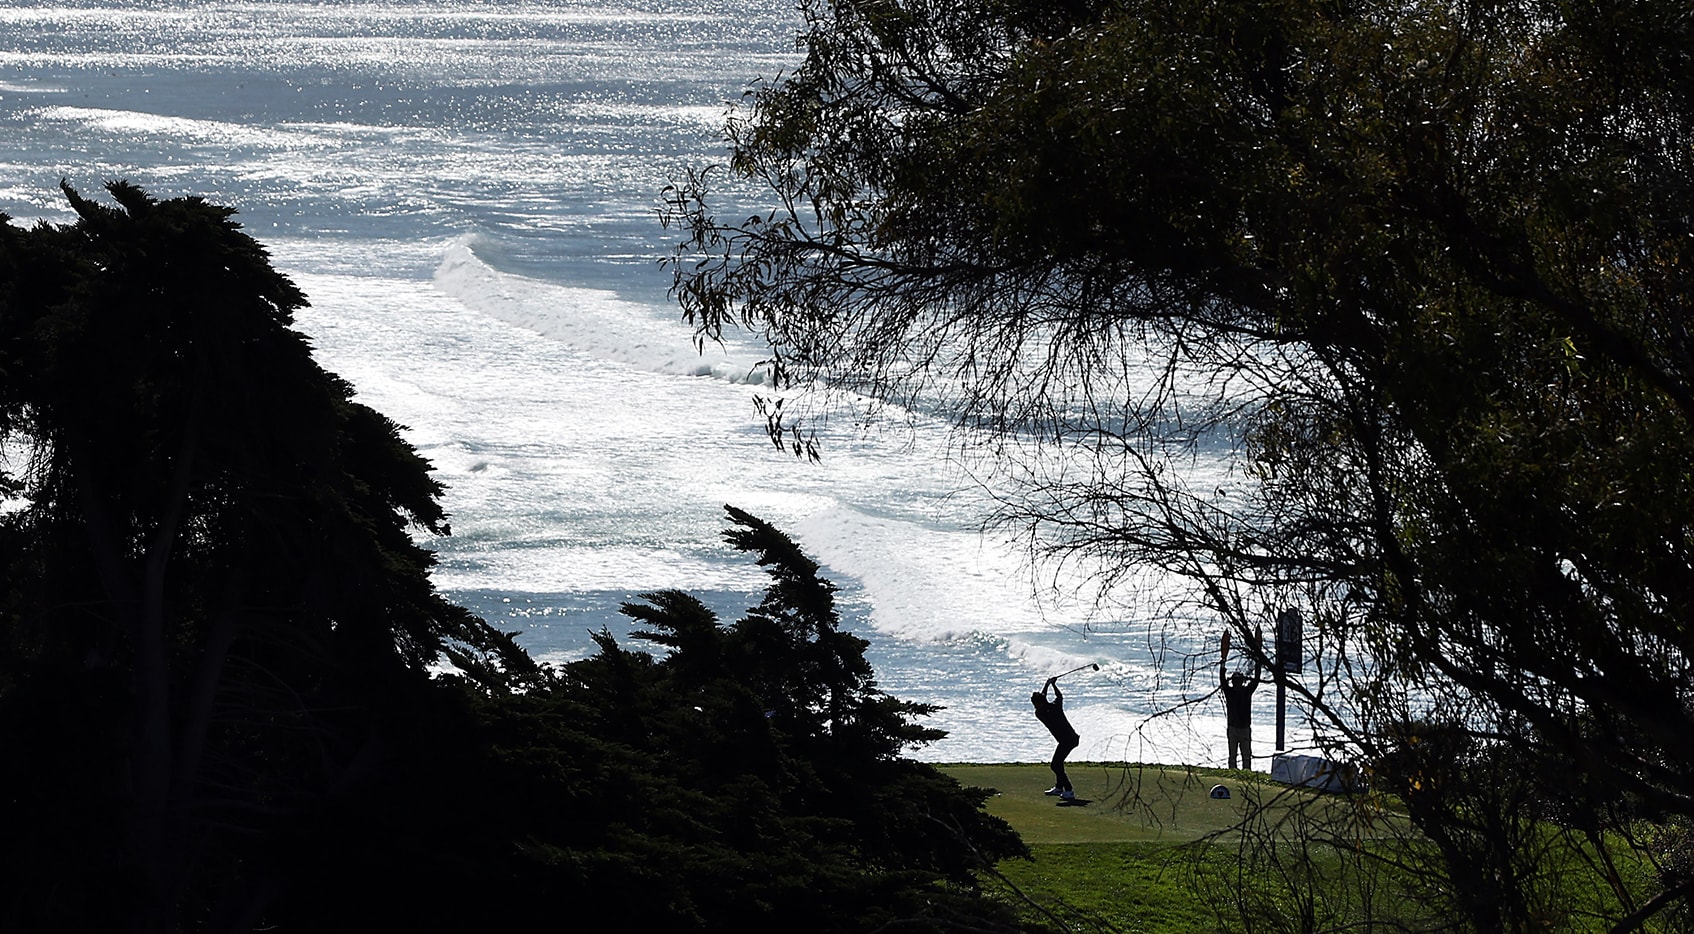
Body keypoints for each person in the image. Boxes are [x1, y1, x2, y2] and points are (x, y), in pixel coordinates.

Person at [1220, 629, 1263, 770]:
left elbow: (1256, 680)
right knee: (1239, 756)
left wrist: (1223, 664)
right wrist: (1258, 662)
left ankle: (1241, 772)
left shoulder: (1236, 692)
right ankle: (1240, 772)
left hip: (1240, 728)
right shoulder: (1239, 692)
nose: (1237, 683)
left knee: (1242, 756)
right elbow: (1256, 680)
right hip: (1238, 728)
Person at [1031, 677, 1080, 799]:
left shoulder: (1044, 711)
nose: (1035, 706)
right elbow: (1058, 697)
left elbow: (1052, 697)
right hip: (1067, 739)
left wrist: (1050, 684)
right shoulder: (1049, 709)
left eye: (1036, 703)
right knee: (1058, 764)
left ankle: (1068, 790)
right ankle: (1059, 788)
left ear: (1041, 703)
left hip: (1069, 740)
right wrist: (1050, 684)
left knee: (1055, 765)